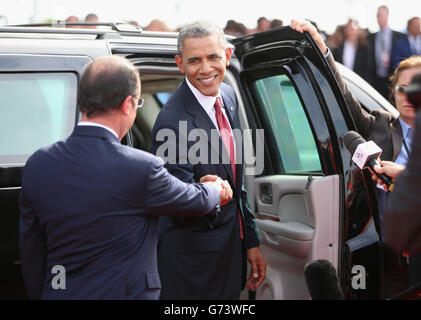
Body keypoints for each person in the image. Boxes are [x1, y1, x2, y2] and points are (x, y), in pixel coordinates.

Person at [19, 55, 233, 300]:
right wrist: (215, 189)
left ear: (82, 102)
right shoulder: (141, 169)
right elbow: (191, 199)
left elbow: (32, 251)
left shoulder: (38, 164)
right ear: (127, 105)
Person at [291, 19, 421, 296]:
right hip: (389, 253)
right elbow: (342, 94)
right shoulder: (380, 125)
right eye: (402, 89)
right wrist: (323, 50)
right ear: (393, 93)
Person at [152, 21, 266, 300]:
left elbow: (237, 181)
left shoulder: (227, 95)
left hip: (230, 251)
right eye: (194, 60)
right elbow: (177, 202)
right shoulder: (170, 122)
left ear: (227, 56)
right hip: (194, 267)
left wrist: (250, 241)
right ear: (180, 64)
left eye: (213, 57)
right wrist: (203, 191)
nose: (205, 69)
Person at [367, 5, 405, 99]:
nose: (379, 19)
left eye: (381, 15)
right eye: (377, 16)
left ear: (387, 16)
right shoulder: (371, 38)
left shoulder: (399, 37)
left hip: (392, 79)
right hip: (376, 80)